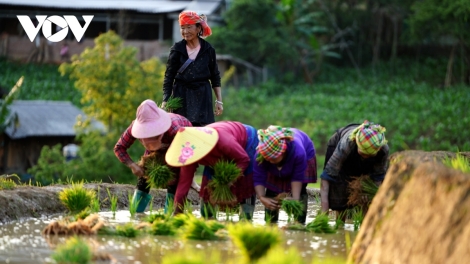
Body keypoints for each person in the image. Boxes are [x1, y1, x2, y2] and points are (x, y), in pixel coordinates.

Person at [114, 99, 200, 213]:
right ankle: (136, 213)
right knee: (143, 179)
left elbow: (192, 155)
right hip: (156, 151)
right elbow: (119, 148)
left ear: (160, 134)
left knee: (173, 182)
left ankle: (169, 215)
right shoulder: (135, 127)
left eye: (152, 138)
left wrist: (187, 178)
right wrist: (132, 165)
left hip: (178, 148)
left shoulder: (176, 131)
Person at [165, 121, 258, 219]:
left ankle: (245, 209)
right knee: (205, 213)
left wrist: (230, 181)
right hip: (217, 157)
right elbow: (184, 182)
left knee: (246, 215)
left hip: (246, 141)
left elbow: (244, 159)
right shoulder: (188, 153)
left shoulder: (223, 141)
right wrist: (177, 212)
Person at [161, 11, 223, 126]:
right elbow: (169, 77)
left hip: (202, 96)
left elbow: (215, 76)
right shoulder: (177, 49)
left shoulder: (208, 49)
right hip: (181, 95)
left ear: (198, 28)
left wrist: (219, 100)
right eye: (182, 28)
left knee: (203, 130)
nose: (185, 31)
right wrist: (166, 100)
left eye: (189, 27)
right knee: (181, 129)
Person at [320, 120, 389, 215]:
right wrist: (324, 211)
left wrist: (370, 194)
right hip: (339, 145)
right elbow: (327, 176)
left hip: (363, 160)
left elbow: (378, 177)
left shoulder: (383, 150)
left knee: (366, 199)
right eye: (363, 153)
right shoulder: (347, 144)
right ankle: (340, 223)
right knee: (340, 193)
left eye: (369, 155)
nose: (365, 157)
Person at [253, 126, 317, 224]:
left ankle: (299, 223)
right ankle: (271, 222)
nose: (271, 161)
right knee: (271, 188)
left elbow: (297, 177)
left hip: (304, 151)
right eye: (268, 159)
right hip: (276, 154)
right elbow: (258, 176)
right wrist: (262, 197)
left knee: (299, 193)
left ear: (282, 152)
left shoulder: (298, 152)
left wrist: (295, 199)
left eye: (274, 158)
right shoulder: (260, 154)